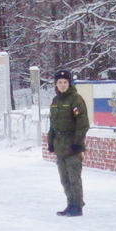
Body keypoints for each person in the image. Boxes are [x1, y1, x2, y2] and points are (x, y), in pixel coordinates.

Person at [47, 69, 89, 217]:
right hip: (60, 145)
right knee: (64, 178)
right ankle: (70, 204)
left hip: (72, 144)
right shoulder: (56, 101)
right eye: (60, 82)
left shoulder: (76, 99)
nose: (63, 85)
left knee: (74, 177)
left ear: (69, 83)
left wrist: (78, 142)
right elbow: (52, 124)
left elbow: (83, 123)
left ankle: (77, 205)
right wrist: (50, 141)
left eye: (65, 82)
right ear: (56, 84)